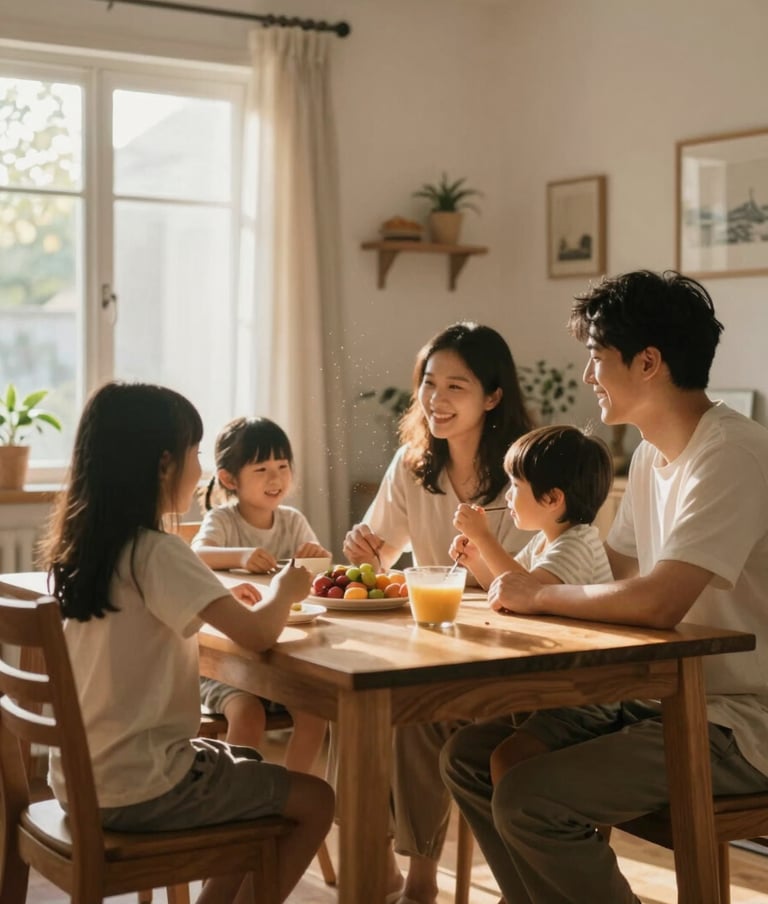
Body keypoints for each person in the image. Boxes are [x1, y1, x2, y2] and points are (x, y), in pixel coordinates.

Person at [440, 270, 768, 904]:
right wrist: (519, 578)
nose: (588, 375)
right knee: (469, 756)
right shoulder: (649, 455)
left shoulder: (731, 455)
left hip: (736, 721)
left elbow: (657, 600)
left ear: (648, 362)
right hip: (662, 700)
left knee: (531, 797)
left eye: (597, 358)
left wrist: (536, 596)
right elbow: (611, 575)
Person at [41, 382, 334, 904]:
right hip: (143, 784)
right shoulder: (158, 551)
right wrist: (287, 588)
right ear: (162, 465)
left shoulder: (91, 548)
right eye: (195, 454)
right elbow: (259, 633)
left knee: (246, 767)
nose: (199, 470)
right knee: (313, 799)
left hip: (86, 777)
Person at [343, 321, 534, 904]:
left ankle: (448, 880)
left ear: (493, 396)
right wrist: (364, 550)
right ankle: (411, 877)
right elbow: (380, 550)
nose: (437, 399)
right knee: (386, 713)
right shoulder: (412, 463)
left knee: (415, 714)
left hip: (518, 658)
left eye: (457, 386)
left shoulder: (525, 472)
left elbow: (535, 583)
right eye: (429, 383)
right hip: (442, 647)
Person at [191, 416, 330, 773]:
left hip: (281, 658)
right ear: (228, 478)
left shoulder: (292, 520)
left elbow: (318, 570)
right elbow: (196, 555)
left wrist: (315, 559)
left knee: (315, 715)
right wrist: (240, 556)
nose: (276, 478)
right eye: (261, 468)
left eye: (283, 466)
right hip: (228, 662)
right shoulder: (223, 520)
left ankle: (292, 791)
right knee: (248, 716)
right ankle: (233, 799)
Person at [450, 423, 613, 629]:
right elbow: (506, 586)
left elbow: (529, 591)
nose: (508, 495)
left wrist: (484, 537)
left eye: (516, 486)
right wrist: (476, 559)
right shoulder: (543, 540)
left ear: (552, 498)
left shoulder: (578, 545)